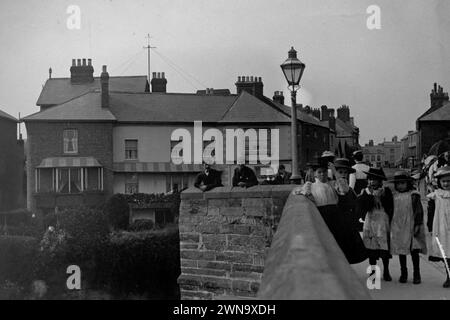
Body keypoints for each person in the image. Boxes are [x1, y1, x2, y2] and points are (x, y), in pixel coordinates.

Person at [294, 160, 367, 264]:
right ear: (315, 174)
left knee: (338, 244)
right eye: (319, 172)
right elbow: (302, 194)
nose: (322, 174)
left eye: (324, 172)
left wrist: (334, 171)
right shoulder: (310, 186)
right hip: (321, 216)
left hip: (336, 217)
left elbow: (345, 189)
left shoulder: (333, 184)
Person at [389, 171, 427, 284]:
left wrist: (417, 224)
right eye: (398, 183)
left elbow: (418, 211)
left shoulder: (413, 195)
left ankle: (416, 274)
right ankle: (403, 273)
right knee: (402, 250)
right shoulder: (394, 195)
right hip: (398, 226)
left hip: (411, 226)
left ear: (408, 183)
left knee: (414, 250)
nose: (400, 186)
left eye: (403, 183)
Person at [357, 167, 394, 281]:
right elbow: (363, 207)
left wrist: (380, 196)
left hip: (382, 221)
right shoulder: (365, 192)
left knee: (383, 247)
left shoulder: (386, 191)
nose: (371, 182)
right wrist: (369, 195)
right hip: (370, 220)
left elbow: (390, 206)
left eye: (374, 179)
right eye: (369, 179)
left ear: (380, 180)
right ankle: (373, 272)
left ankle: (386, 271)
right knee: (371, 248)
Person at [426, 166, 450, 288]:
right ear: (439, 182)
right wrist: (430, 227)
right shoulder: (436, 195)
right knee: (446, 253)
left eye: (448, 181)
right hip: (442, 227)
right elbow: (431, 212)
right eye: (443, 181)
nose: (446, 183)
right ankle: (449, 275)